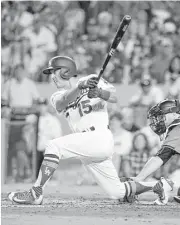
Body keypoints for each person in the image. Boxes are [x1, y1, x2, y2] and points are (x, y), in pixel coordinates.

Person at [8, 56, 173, 205]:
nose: (52, 77)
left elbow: (116, 98)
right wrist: (81, 87)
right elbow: (62, 102)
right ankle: (158, 185)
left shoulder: (93, 79)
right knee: (116, 192)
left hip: (99, 137)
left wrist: (100, 92)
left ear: (66, 71)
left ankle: (36, 192)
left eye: (55, 72)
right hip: (87, 146)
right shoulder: (57, 95)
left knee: (53, 146)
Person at [129, 99, 180, 205]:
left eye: (162, 116)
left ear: (175, 114)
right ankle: (169, 186)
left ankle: (167, 186)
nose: (158, 120)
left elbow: (161, 157)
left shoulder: (177, 127)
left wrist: (140, 178)